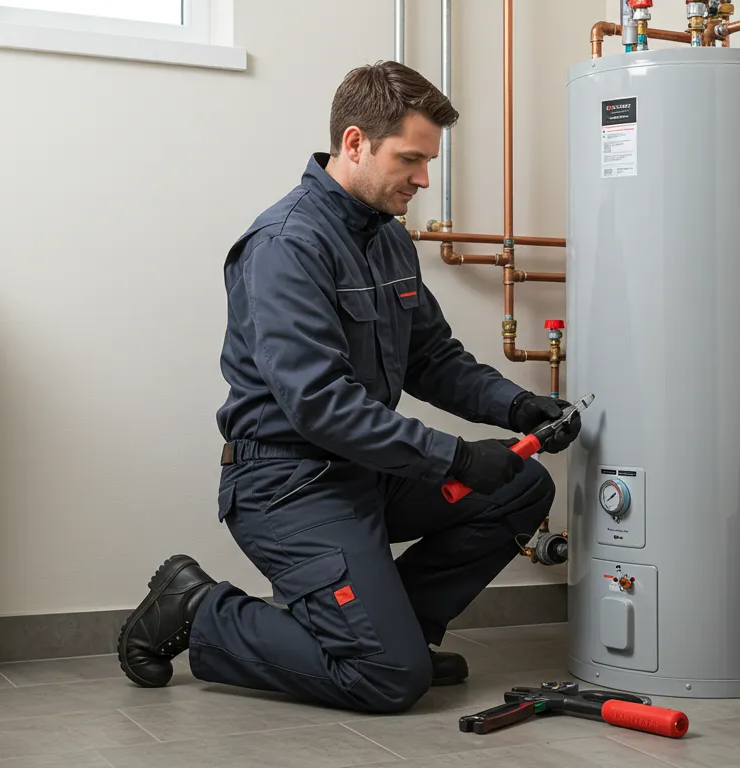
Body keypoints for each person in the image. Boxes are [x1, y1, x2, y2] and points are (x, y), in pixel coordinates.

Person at [116, 61, 581, 715]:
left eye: (428, 161)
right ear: (356, 143)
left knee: (521, 486)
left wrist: (518, 405)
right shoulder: (286, 245)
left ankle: (403, 634)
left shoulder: (388, 240)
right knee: (386, 680)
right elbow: (321, 404)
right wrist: (455, 457)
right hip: (289, 485)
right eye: (411, 159)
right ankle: (199, 608)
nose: (424, 179)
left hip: (367, 472)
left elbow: (432, 359)